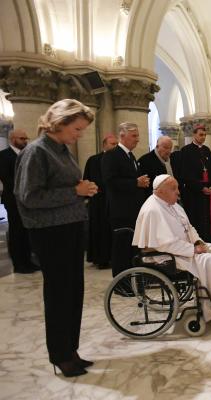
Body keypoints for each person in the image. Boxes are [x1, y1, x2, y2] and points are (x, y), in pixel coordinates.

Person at [14, 99, 98, 377]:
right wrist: (76, 192)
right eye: (76, 129)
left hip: (70, 227)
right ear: (59, 124)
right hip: (50, 233)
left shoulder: (61, 149)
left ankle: (70, 349)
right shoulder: (36, 151)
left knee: (74, 292)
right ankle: (60, 355)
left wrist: (82, 190)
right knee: (60, 294)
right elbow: (29, 197)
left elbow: (68, 186)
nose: (79, 135)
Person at [132, 174, 211, 328]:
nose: (178, 192)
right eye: (174, 189)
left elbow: (189, 228)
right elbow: (164, 244)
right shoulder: (153, 210)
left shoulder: (172, 204)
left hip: (182, 248)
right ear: (160, 192)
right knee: (208, 260)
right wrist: (193, 249)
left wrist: (198, 241)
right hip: (164, 255)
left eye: (177, 188)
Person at [101, 122, 149, 277]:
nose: (137, 139)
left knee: (131, 247)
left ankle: (132, 277)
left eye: (137, 135)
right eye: (134, 136)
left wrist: (140, 182)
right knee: (121, 247)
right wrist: (136, 182)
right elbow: (110, 181)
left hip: (133, 209)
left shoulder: (130, 156)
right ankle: (121, 281)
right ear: (122, 135)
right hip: (120, 210)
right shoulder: (112, 155)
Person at [0, 129, 37, 274]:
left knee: (27, 230)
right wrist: (22, 190)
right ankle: (19, 263)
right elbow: (7, 178)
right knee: (17, 231)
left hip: (29, 199)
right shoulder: (4, 156)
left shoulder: (28, 154)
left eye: (26, 138)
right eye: (22, 138)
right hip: (14, 199)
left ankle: (28, 261)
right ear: (13, 139)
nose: (25, 141)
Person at [176, 123, 211, 242]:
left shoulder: (207, 150)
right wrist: (200, 188)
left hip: (207, 190)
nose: (203, 137)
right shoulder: (186, 151)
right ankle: (196, 241)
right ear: (194, 135)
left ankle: (207, 240)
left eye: (204, 135)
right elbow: (185, 174)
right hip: (194, 192)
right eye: (200, 135)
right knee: (196, 218)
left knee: (207, 218)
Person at [82, 134, 118, 268]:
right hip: (98, 201)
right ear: (104, 145)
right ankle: (101, 258)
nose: (115, 146)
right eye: (112, 144)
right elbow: (87, 179)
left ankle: (113, 257)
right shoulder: (93, 160)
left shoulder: (118, 159)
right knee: (100, 229)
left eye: (116, 144)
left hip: (114, 200)